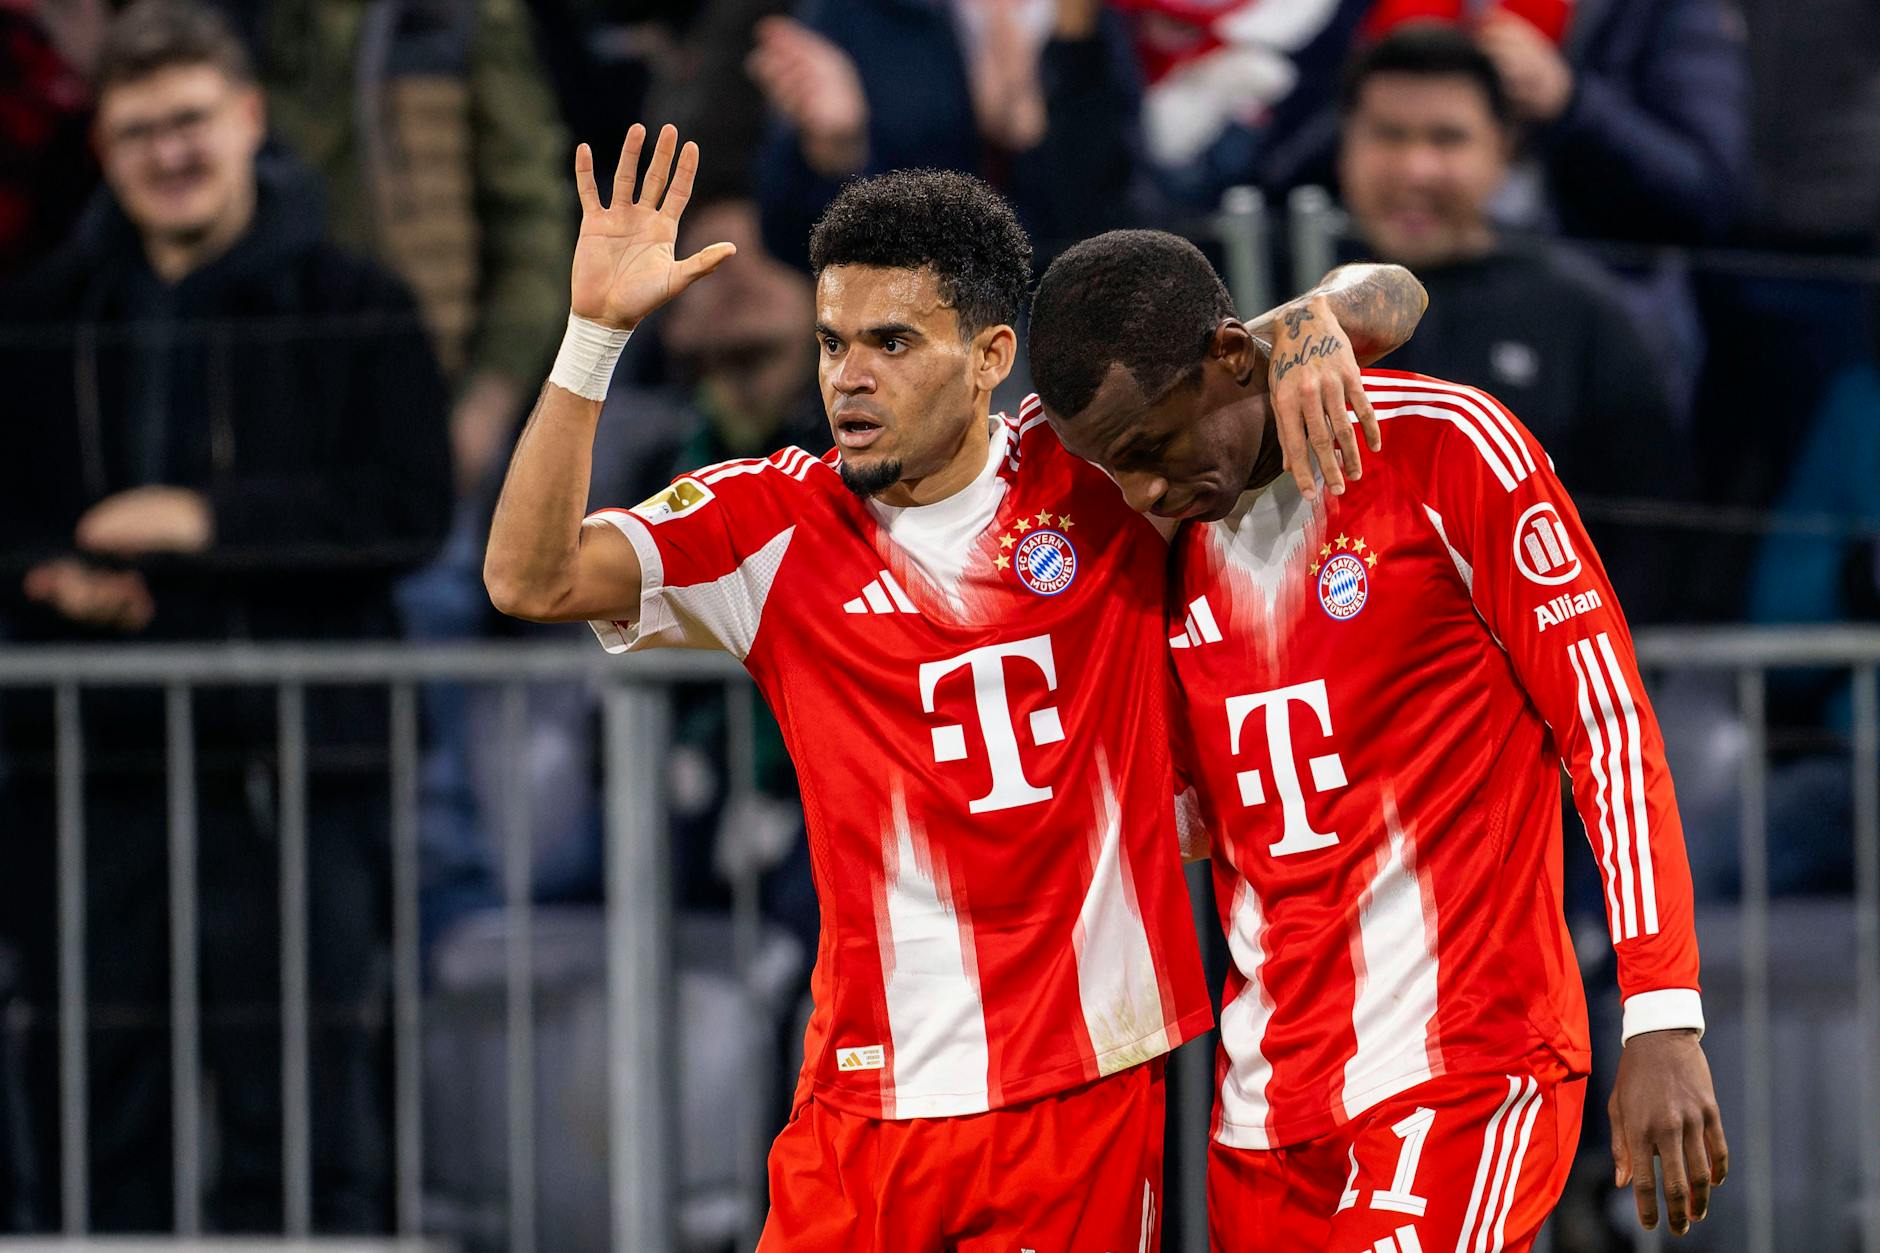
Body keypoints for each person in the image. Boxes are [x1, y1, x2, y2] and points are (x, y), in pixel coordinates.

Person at [482, 123, 1423, 1247]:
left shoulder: (1095, 470)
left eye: (890, 341)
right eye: (832, 343)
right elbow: (526, 578)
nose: (849, 377)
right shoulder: (770, 525)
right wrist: (592, 336)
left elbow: (1393, 294)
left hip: (1070, 1091)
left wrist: (1317, 312)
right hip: (856, 1107)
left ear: (987, 357)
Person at [1026, 229, 1727, 1250]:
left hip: (1462, 1070)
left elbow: (1607, 726)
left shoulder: (1444, 448)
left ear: (1229, 358)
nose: (1135, 492)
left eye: (1147, 452)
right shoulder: (1155, 536)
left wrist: (1661, 1010)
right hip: (1263, 1110)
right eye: (1109, 467)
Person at [0, 0, 451, 1230]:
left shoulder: (357, 302)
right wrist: (50, 571)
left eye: (192, 120)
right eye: (139, 129)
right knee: (100, 1091)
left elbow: (407, 504)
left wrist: (204, 524)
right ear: (101, 146)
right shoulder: (40, 315)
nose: (171, 152)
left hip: (296, 765)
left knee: (305, 1092)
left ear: (250, 118)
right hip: (93, 768)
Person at [1333, 25, 1684, 621]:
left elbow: (1653, 527)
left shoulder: (1579, 311)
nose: (1416, 168)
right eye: (1389, 135)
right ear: (1345, 144)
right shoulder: (1284, 292)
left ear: (1504, 150)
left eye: (1448, 139)